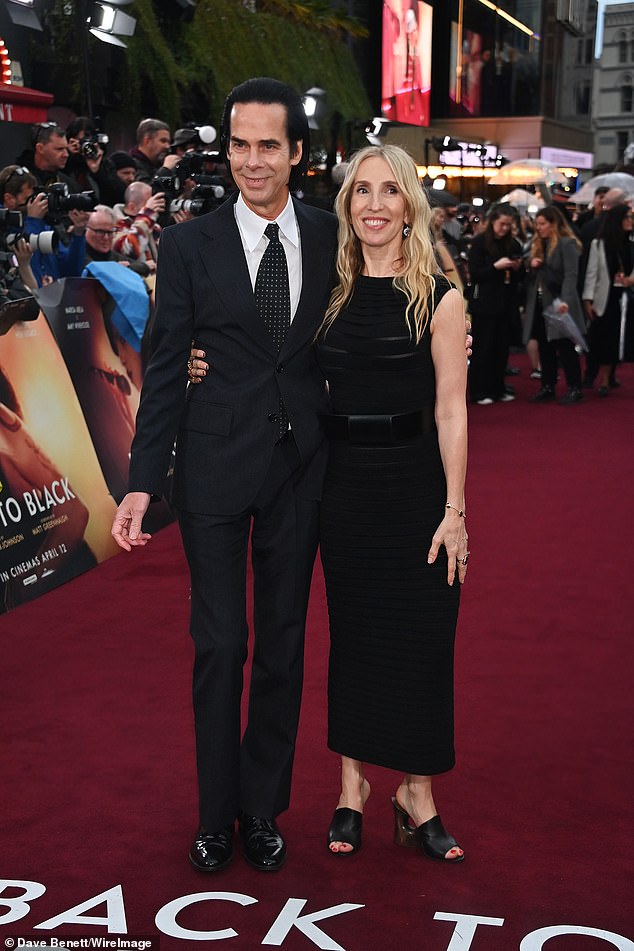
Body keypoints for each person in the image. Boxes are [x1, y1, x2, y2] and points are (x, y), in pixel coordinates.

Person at [110, 78, 339, 874]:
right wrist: (143, 479)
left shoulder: (332, 234)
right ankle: (214, 815)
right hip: (211, 466)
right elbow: (168, 365)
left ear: (297, 153)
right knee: (220, 644)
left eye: (267, 145)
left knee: (282, 645)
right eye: (238, 144)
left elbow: (353, 340)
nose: (250, 160)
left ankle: (260, 806)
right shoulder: (188, 245)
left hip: (300, 469)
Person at [314, 145, 468, 861]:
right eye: (360, 192)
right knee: (354, 639)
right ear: (347, 206)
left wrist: (456, 510)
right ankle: (352, 789)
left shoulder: (441, 295)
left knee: (421, 643)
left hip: (415, 492)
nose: (373, 204)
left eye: (388, 192)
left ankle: (418, 792)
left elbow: (451, 411)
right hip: (343, 488)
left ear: (410, 205)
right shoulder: (329, 288)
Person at [523, 206, 585, 404]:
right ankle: (548, 385)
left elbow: (571, 275)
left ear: (553, 224)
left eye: (542, 224)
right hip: (540, 303)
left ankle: (575, 387)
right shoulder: (539, 243)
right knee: (545, 346)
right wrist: (530, 263)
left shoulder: (567, 244)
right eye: (537, 224)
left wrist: (565, 301)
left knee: (565, 347)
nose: (538, 228)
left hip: (559, 303)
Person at [467, 204, 523, 404]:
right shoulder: (480, 242)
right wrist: (495, 267)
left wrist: (517, 267)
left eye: (508, 225)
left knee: (501, 349)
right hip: (484, 304)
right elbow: (475, 274)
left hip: (506, 304)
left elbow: (519, 278)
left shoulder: (513, 244)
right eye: (502, 224)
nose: (505, 229)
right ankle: (479, 391)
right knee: (483, 349)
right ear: (493, 222)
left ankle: (498, 388)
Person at [582, 203, 634, 395]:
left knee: (619, 339)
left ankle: (607, 378)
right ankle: (597, 376)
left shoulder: (630, 243)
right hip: (605, 298)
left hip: (626, 298)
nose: (631, 221)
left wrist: (630, 280)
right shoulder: (600, 244)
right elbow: (591, 273)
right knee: (601, 338)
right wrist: (587, 299)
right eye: (627, 217)